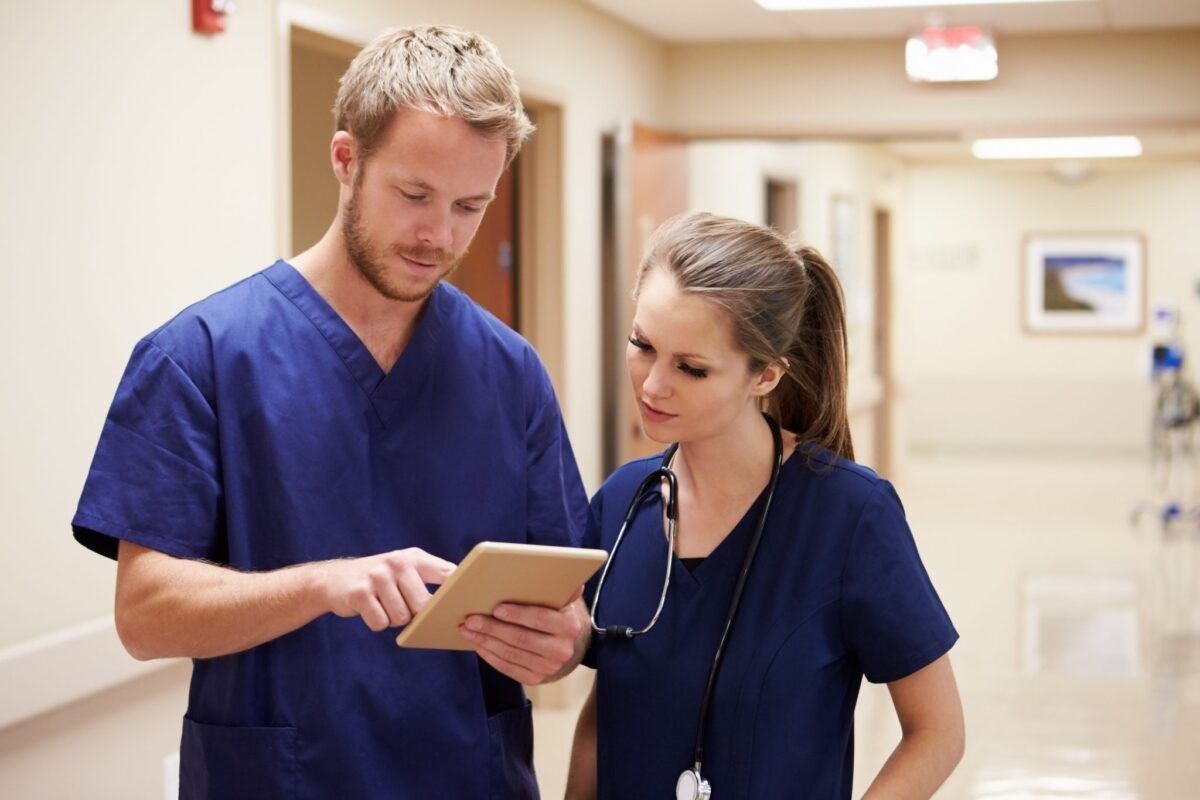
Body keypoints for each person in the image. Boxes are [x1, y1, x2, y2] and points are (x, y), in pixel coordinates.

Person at [72, 25, 589, 799]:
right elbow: (145, 616)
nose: (438, 236)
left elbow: (569, 612)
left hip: (463, 774)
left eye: (469, 206)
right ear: (346, 159)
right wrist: (325, 585)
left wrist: (560, 642)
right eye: (414, 195)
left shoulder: (510, 373)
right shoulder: (201, 356)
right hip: (282, 779)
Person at [565, 213, 964, 799]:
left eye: (691, 368)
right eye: (642, 346)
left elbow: (938, 732)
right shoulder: (623, 503)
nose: (652, 385)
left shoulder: (848, 514)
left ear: (766, 375)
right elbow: (608, 714)